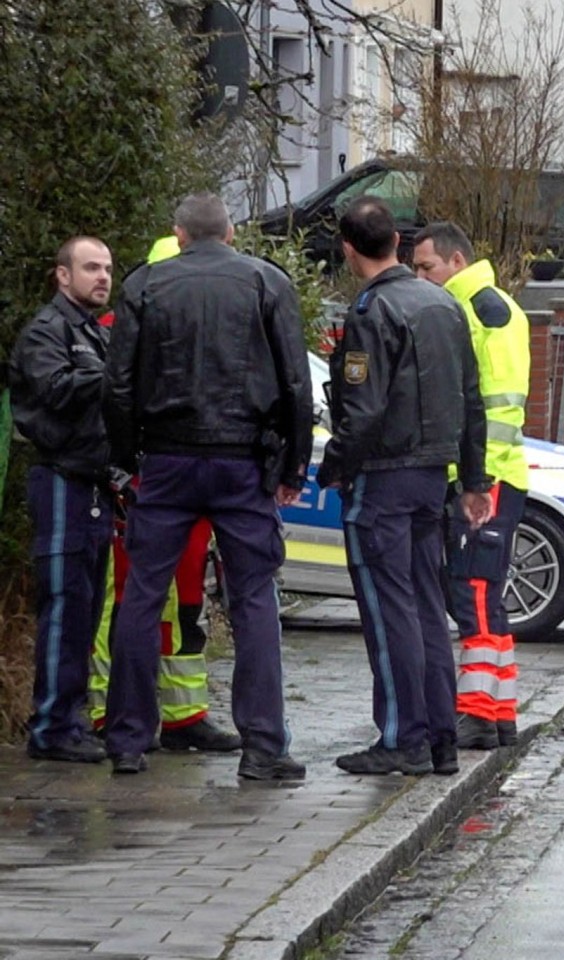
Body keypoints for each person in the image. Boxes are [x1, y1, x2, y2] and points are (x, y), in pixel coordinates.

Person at [102, 194, 313, 778]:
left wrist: (122, 464)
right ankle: (264, 747)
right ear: (232, 233)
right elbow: (296, 382)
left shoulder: (146, 285)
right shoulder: (266, 283)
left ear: (177, 234)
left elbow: (118, 385)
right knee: (253, 600)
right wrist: (293, 467)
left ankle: (126, 739)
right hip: (243, 461)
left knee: (142, 596)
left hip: (167, 459)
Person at [316, 198, 490, 777]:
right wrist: (471, 479)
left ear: (347, 249)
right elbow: (472, 399)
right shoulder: (443, 303)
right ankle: (440, 737)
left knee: (389, 611)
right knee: (424, 606)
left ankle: (400, 738)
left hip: (384, 478)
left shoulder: (372, 311)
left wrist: (334, 464)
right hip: (431, 478)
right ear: (395, 242)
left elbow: (361, 413)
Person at [88, 237, 240, 753]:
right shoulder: (118, 331)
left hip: (179, 486)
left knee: (186, 604)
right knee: (126, 600)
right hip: (137, 491)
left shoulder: (189, 328)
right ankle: (108, 710)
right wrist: (121, 471)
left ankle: (183, 715)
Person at [412, 222, 529, 751]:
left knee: (475, 595)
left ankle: (479, 714)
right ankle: (498, 711)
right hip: (495, 475)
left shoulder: (479, 309)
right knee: (486, 595)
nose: (421, 278)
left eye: (426, 267)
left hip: (487, 479)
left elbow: (495, 405)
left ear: (455, 261)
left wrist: (475, 480)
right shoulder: (488, 304)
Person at [8, 237, 116, 763]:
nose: (102, 276)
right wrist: (112, 374)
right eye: (90, 267)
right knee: (65, 606)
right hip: (60, 481)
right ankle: (51, 726)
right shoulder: (48, 333)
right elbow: (53, 391)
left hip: (93, 484)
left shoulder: (92, 332)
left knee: (86, 608)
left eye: (107, 268)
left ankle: (70, 719)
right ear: (62, 276)